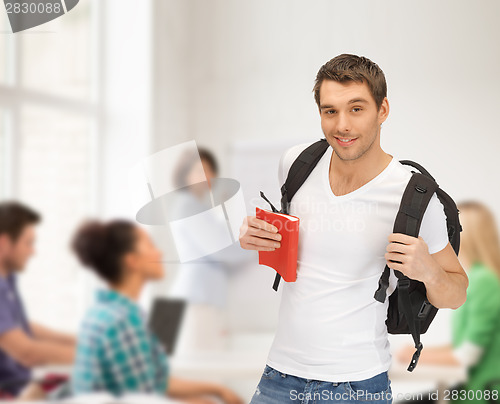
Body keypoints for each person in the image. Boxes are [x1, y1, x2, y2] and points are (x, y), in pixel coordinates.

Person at [239, 54, 469, 403]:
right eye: (330, 111)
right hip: (277, 378)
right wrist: (254, 236)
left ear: (383, 110)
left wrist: (429, 271)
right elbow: (296, 248)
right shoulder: (296, 164)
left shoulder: (415, 198)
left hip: (356, 387)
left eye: (356, 109)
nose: (341, 125)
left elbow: (457, 292)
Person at [70, 218, 244, 404]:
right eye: (150, 245)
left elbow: (153, 382)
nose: (160, 252)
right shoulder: (123, 321)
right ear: (132, 261)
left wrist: (216, 390)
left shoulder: (105, 312)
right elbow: (144, 397)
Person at [395, 200, 500, 404]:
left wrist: (416, 358)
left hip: (481, 394)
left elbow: (466, 356)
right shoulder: (481, 278)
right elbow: (463, 346)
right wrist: (417, 351)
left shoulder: (483, 282)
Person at [168, 147, 251, 353]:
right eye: (199, 170)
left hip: (197, 300)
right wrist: (261, 245)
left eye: (209, 170)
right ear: (185, 175)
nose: (206, 176)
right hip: (195, 303)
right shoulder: (187, 206)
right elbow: (222, 251)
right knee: (200, 376)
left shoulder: (197, 207)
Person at [0, 201, 76, 399]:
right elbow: (27, 353)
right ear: (5, 242)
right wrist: (94, 355)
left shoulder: (7, 280)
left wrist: (78, 340)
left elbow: (20, 327)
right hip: (9, 392)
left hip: (21, 385)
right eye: (29, 243)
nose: (33, 252)